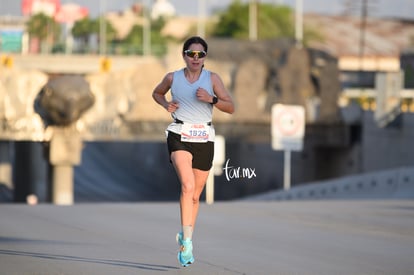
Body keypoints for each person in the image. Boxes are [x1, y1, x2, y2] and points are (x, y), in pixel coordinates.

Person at [152, 36, 235, 267]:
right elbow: (157, 93)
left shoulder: (213, 79)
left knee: (196, 196)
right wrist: (165, 104)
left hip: (204, 138)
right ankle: (186, 244)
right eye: (191, 53)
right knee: (187, 186)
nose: (195, 58)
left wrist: (212, 99)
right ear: (184, 55)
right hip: (179, 134)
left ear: (205, 57)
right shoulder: (173, 77)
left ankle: (186, 235)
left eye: (200, 54)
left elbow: (230, 107)